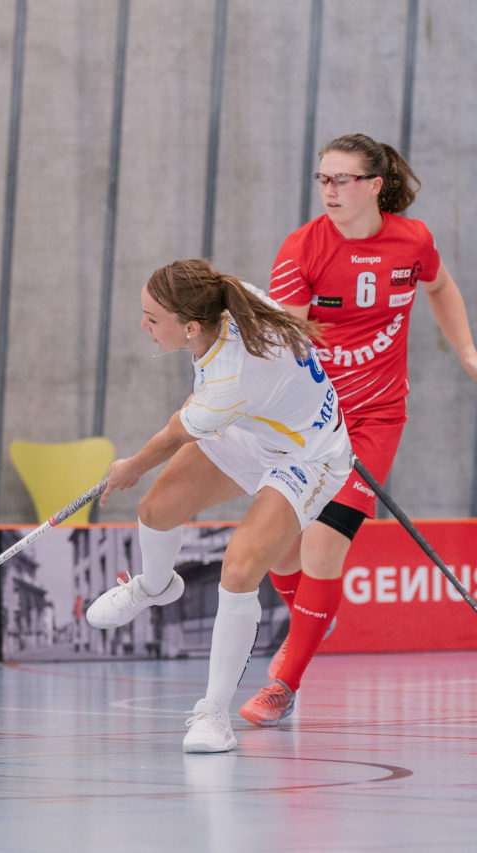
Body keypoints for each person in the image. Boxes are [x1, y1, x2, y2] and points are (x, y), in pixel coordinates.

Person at [241, 133, 477, 726]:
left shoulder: (412, 239)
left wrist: (468, 352)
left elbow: (441, 288)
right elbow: (286, 342)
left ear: (374, 186)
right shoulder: (301, 249)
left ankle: (284, 682)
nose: (329, 190)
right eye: (322, 179)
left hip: (375, 418)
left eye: (342, 179)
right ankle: (312, 622)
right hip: (310, 418)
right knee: (280, 547)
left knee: (324, 544)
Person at [85, 259, 351, 753]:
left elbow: (171, 435)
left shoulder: (229, 380)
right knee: (156, 510)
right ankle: (155, 586)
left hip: (306, 457)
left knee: (238, 569)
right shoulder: (226, 300)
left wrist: (129, 467)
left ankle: (213, 715)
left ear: (189, 326)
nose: (143, 326)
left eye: (151, 318)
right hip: (252, 430)